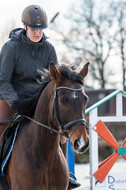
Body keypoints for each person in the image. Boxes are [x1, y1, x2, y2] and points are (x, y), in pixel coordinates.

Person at [0, 5, 80, 189]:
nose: (37, 33)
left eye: (41, 29)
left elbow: (56, 80)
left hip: (38, 100)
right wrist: (16, 102)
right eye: (34, 29)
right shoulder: (11, 48)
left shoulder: (49, 48)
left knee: (60, 130)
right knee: (2, 129)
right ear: (25, 26)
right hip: (11, 98)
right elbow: (3, 81)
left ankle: (67, 173)